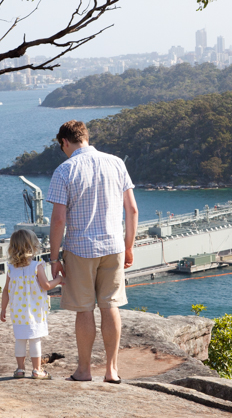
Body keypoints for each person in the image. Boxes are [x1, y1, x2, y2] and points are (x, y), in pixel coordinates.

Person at [46, 120, 139, 384]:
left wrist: (54, 259)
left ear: (65, 142)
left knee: (84, 309)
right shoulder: (116, 162)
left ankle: (84, 371)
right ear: (86, 137)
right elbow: (132, 209)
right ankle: (111, 370)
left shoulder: (64, 170)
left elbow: (58, 220)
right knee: (110, 305)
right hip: (113, 246)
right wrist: (129, 245)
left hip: (79, 249)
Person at [0, 229, 63, 380]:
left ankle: (20, 369)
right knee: (35, 339)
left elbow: (6, 291)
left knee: (20, 340)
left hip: (18, 313)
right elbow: (46, 285)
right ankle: (37, 370)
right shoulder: (36, 266)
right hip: (34, 312)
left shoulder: (11, 269)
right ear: (32, 247)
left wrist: (3, 309)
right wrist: (59, 279)